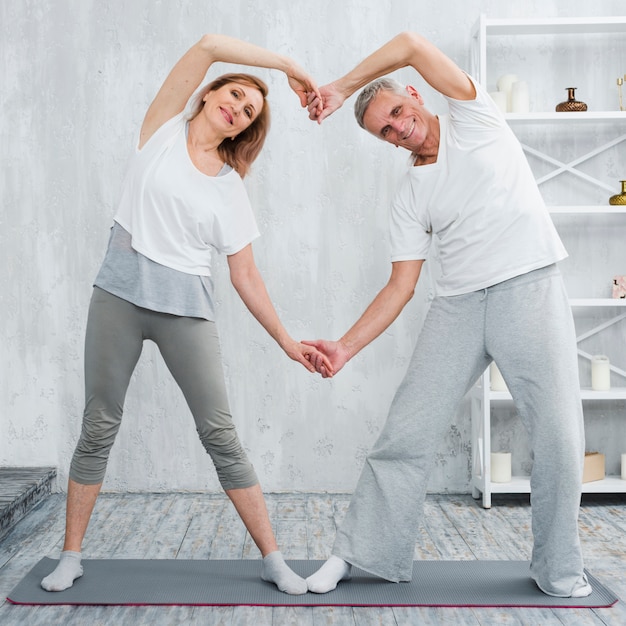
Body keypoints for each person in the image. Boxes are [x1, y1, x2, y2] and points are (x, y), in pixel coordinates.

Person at [303, 31, 591, 598]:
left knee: (558, 434)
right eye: (385, 131)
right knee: (405, 433)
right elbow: (400, 286)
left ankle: (558, 569)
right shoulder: (412, 192)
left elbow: (410, 43)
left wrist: (340, 87)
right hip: (457, 307)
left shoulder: (473, 117)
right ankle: (355, 553)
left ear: (414, 93)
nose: (397, 128)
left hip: (528, 289)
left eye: (396, 113)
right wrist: (344, 346)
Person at [40, 34, 331, 596]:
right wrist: (287, 67)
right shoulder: (160, 130)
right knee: (99, 425)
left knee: (220, 435)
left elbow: (246, 277)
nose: (239, 107)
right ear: (209, 94)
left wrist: (287, 342)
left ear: (242, 131)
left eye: (248, 112)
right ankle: (71, 555)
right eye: (236, 93)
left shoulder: (229, 190)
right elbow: (207, 44)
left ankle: (274, 560)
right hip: (118, 299)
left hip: (185, 313)